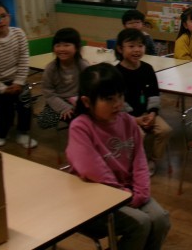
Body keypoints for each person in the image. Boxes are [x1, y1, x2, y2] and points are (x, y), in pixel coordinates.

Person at [66, 62, 171, 249]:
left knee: (161, 219)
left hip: (128, 192)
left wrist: (141, 192)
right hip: (96, 200)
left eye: (120, 96)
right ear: (87, 102)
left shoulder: (127, 121)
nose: (117, 104)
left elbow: (140, 160)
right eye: (109, 99)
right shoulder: (80, 127)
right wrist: (124, 195)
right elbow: (94, 171)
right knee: (140, 223)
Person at [0, 0, 36, 148]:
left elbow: (24, 59)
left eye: (3, 16)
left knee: (25, 107)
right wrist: (3, 89)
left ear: (9, 16)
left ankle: (23, 132)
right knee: (5, 112)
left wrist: (19, 82)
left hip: (19, 80)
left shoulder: (19, 34)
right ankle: (0, 133)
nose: (1, 21)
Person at [114, 28, 172, 177]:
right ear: (120, 49)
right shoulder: (116, 73)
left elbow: (154, 93)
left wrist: (152, 113)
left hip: (147, 113)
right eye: (131, 46)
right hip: (126, 117)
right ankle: (137, 163)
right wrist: (136, 119)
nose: (137, 50)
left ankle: (153, 161)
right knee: (139, 134)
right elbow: (118, 101)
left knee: (165, 130)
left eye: (140, 45)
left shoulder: (147, 69)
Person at [36, 27, 90, 129]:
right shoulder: (51, 68)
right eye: (58, 45)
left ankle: (80, 134)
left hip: (79, 100)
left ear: (77, 47)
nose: (61, 49)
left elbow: (90, 88)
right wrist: (64, 107)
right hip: (58, 100)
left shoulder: (83, 65)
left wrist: (79, 103)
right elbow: (48, 93)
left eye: (66, 45)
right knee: (44, 121)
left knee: (84, 119)